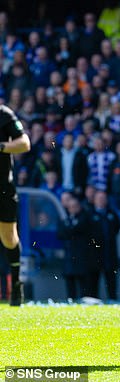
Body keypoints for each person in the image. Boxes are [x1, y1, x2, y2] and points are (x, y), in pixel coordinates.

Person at [0, 105, 31, 306]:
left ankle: (17, 282)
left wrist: (1, 147)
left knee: (8, 237)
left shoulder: (4, 114)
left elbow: (24, 144)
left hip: (3, 187)